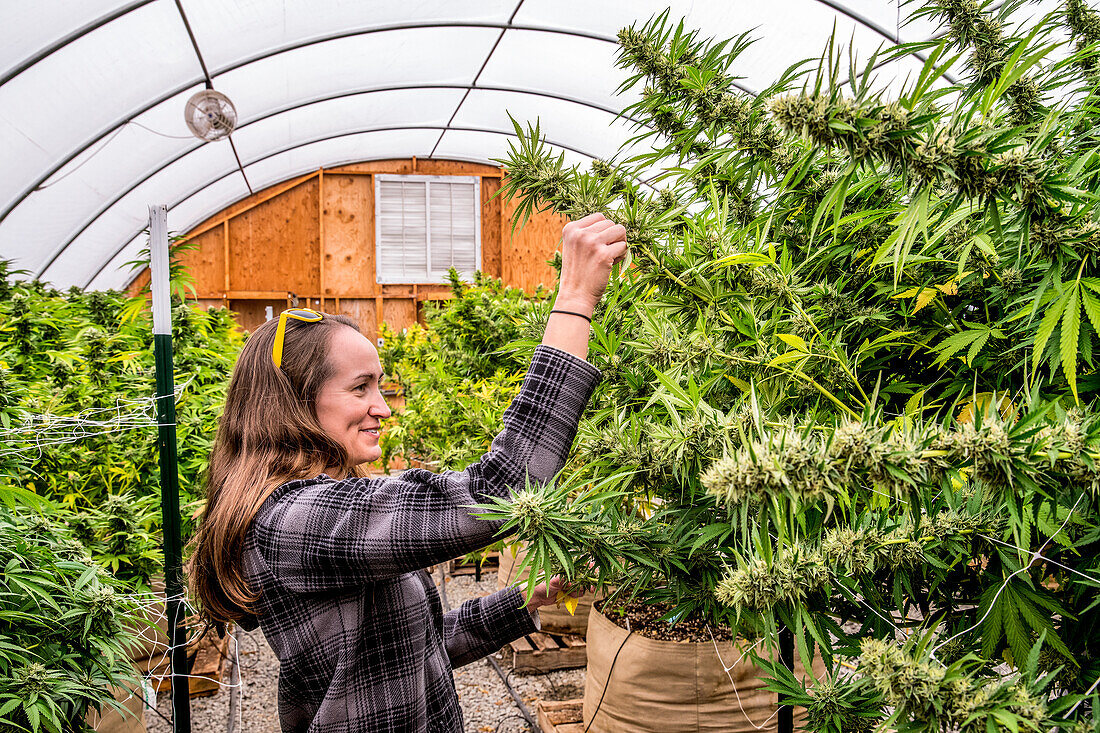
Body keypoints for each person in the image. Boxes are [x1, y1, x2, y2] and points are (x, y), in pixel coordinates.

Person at [188, 213, 628, 732]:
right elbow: (505, 487)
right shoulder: (293, 522)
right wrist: (575, 299)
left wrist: (523, 602)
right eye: (360, 388)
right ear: (294, 404)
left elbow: (420, 647)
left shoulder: (320, 511)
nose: (383, 408)